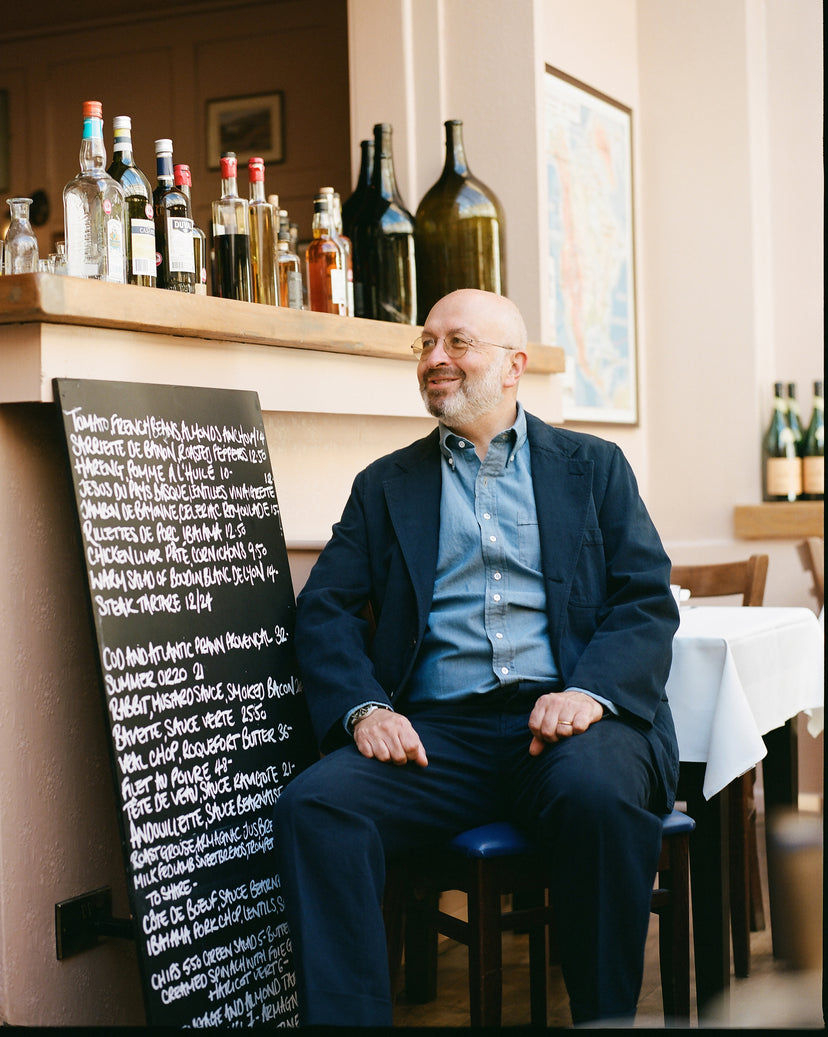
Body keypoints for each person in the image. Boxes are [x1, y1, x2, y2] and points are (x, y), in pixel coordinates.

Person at [274, 289, 680, 1026]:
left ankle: (603, 1020)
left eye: (457, 343)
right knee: (318, 804)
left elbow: (646, 598)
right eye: (426, 344)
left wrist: (591, 691)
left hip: (568, 726)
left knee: (598, 791)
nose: (434, 359)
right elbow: (324, 612)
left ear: (514, 365)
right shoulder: (383, 485)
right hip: (439, 741)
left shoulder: (595, 468)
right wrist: (365, 708)